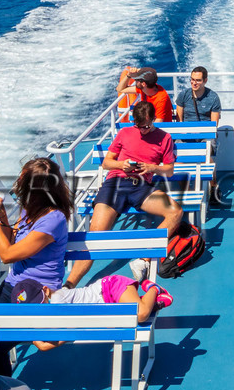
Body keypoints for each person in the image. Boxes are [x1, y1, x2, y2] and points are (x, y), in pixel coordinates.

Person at [66, 100, 183, 287]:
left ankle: (143, 260)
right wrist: (122, 164)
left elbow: (169, 170)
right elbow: (106, 163)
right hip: (115, 183)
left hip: (142, 186)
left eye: (146, 126)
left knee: (175, 212)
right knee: (96, 235)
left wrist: (154, 167)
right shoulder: (125, 132)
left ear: (154, 119)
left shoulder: (165, 138)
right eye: (138, 126)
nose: (142, 130)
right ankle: (69, 286)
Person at [0, 158, 72, 304]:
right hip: (14, 284)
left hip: (37, 292)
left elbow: (7, 255)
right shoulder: (31, 209)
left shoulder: (53, 219)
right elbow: (11, 241)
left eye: (22, 179)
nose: (18, 182)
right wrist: (0, 212)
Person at [32, 264, 174, 352]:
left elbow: (64, 335)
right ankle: (147, 302)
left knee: (141, 315)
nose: (41, 306)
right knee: (133, 315)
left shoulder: (57, 298)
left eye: (40, 301)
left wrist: (44, 345)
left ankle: (153, 289)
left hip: (110, 287)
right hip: (110, 305)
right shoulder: (52, 307)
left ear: (45, 290)